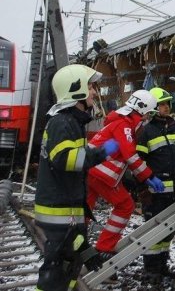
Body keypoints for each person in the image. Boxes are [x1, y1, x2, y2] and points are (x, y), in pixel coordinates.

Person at [35, 64, 119, 291]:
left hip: (66, 211)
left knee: (70, 265)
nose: (94, 92)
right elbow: (65, 159)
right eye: (91, 86)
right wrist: (102, 152)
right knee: (56, 274)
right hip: (59, 212)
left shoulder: (69, 121)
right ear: (76, 89)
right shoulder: (63, 122)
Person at [87, 89, 164, 259]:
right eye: (148, 114)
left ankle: (74, 247)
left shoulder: (119, 121)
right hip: (101, 173)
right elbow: (130, 155)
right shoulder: (125, 125)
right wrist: (150, 177)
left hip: (89, 171)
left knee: (84, 211)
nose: (147, 118)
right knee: (125, 205)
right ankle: (104, 249)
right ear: (142, 110)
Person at [136, 87, 175, 281]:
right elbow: (138, 162)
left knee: (168, 231)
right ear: (153, 108)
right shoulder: (146, 132)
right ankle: (150, 269)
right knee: (153, 232)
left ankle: (162, 265)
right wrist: (142, 188)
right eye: (161, 104)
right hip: (155, 193)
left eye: (167, 103)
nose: (165, 107)